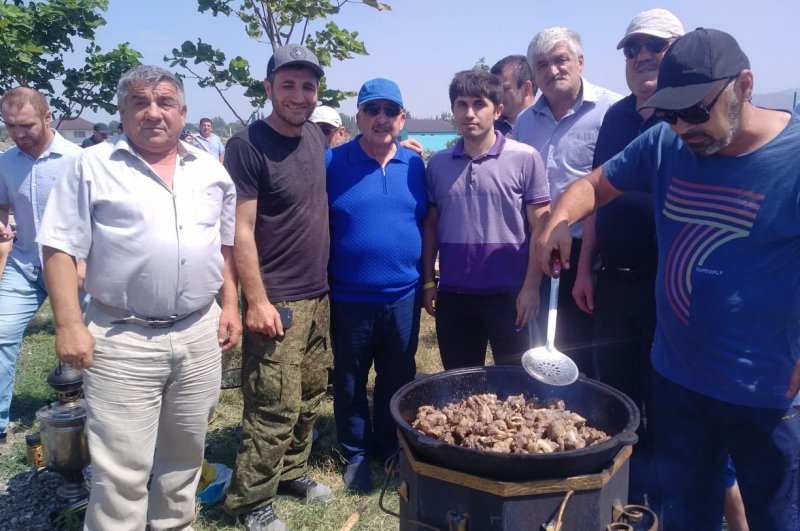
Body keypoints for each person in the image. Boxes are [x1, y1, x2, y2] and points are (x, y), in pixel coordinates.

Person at [535, 28, 800, 530]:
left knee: (776, 519)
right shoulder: (663, 142)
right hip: (679, 380)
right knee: (686, 517)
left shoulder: (792, 159)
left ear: (744, 85)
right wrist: (558, 222)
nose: (683, 127)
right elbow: (594, 185)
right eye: (670, 113)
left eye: (696, 111)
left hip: (766, 391)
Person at [37, 65, 241, 530]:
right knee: (120, 474)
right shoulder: (92, 167)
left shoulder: (210, 170)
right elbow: (59, 248)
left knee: (184, 459)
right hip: (122, 338)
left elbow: (224, 247)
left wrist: (229, 306)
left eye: (165, 102)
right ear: (122, 111)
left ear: (183, 112)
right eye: (140, 102)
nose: (154, 113)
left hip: (196, 334)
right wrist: (69, 325)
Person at [571, 8, 684, 507]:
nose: (642, 56)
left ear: (677, 53)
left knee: (666, 392)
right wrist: (583, 268)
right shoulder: (615, 115)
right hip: (614, 280)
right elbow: (598, 193)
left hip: (671, 282)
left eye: (654, 47)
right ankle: (623, 495)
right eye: (632, 48)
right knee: (614, 390)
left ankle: (666, 499)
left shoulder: (689, 113)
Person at [223, 44, 332, 531]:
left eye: (307, 86)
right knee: (273, 403)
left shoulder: (314, 137)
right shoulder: (246, 145)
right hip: (278, 298)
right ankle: (250, 501)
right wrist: (257, 300)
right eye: (287, 84)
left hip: (318, 293)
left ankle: (291, 472)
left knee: (308, 394)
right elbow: (240, 231)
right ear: (268, 88)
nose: (298, 94)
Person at [327, 78, 426, 493]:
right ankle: (355, 450)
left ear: (402, 119)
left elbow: (429, 221)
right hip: (349, 296)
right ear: (358, 117)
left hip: (404, 294)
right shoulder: (331, 163)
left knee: (397, 375)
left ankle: (389, 445)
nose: (381, 118)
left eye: (390, 111)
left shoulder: (417, 164)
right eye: (372, 110)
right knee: (350, 378)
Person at [422, 69, 549, 369]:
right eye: (461, 104)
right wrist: (429, 282)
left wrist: (531, 287)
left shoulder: (525, 158)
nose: (469, 113)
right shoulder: (438, 165)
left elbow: (540, 226)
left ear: (498, 109)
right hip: (454, 295)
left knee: (517, 385)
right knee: (459, 384)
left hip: (510, 295)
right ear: (452, 109)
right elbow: (430, 227)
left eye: (479, 104)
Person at [514, 26, 621, 373]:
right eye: (542, 65)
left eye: (560, 60)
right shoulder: (524, 122)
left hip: (593, 256)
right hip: (542, 254)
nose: (552, 70)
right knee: (549, 351)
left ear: (580, 61)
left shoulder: (611, 111)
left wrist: (588, 265)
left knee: (595, 357)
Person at [0, 87, 82, 445]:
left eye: (26, 125)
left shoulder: (78, 160)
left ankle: (96, 411)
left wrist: (86, 263)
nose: (19, 134)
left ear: (47, 117)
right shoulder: (7, 162)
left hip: (74, 266)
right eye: (10, 126)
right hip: (25, 265)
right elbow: (2, 205)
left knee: (92, 341)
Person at [490, 55, 536, 137]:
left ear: (526, 89)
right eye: (494, 89)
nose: (496, 94)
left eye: (504, 89)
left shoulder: (550, 125)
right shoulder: (489, 130)